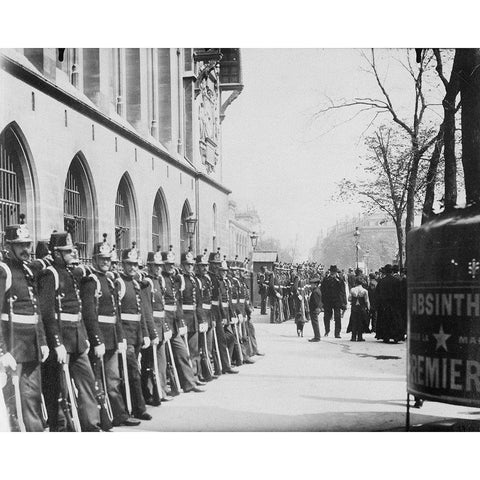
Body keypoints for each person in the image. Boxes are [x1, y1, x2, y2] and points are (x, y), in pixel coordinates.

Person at [37, 230, 101, 431]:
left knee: (87, 383)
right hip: (62, 339)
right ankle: (62, 429)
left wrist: (84, 335)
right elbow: (47, 312)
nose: (72, 253)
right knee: (59, 389)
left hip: (78, 337)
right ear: (56, 253)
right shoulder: (50, 275)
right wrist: (56, 343)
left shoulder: (71, 273)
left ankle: (92, 425)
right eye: (67, 251)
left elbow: (78, 307)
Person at [0, 215, 49, 431]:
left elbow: (35, 309)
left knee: (31, 398)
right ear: (7, 246)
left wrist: (43, 341)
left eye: (27, 244)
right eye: (19, 245)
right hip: (13, 347)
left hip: (31, 346)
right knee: (13, 405)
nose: (25, 249)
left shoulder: (28, 270)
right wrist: (2, 351)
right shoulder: (4, 271)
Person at [87, 234, 140, 427]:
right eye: (102, 259)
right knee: (98, 380)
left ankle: (119, 414)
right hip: (100, 338)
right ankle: (103, 418)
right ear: (94, 260)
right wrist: (97, 340)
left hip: (112, 336)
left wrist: (120, 337)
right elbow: (90, 315)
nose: (105, 263)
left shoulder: (109, 281)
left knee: (114, 379)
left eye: (108, 259)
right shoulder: (91, 281)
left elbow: (115, 313)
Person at [115, 242, 153, 420]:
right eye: (129, 264)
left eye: (135, 264)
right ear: (122, 264)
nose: (132, 267)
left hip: (136, 334)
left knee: (133, 371)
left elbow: (141, 312)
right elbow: (116, 313)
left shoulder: (136, 283)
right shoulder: (119, 283)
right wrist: (121, 337)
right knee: (131, 372)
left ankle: (134, 406)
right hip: (125, 335)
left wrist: (145, 333)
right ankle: (137, 408)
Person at [160, 246, 205, 392]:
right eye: (167, 264)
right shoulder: (161, 280)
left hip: (175, 322)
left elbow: (177, 303)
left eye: (172, 264)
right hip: (163, 323)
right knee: (165, 357)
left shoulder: (174, 279)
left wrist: (180, 322)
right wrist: (166, 326)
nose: (170, 267)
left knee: (183, 352)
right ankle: (168, 385)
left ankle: (189, 382)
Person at [375, 264, 404, 343]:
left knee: (385, 321)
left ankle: (386, 336)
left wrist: (378, 304)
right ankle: (396, 337)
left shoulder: (381, 281)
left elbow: (377, 294)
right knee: (395, 320)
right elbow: (400, 294)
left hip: (384, 305)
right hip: (394, 304)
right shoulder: (397, 281)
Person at [320, 265, 347, 338]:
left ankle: (337, 333)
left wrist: (344, 303)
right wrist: (322, 302)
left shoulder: (340, 280)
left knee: (337, 317)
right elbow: (322, 291)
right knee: (326, 317)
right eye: (332, 272)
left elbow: (343, 292)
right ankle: (327, 330)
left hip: (337, 301)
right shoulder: (325, 280)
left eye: (334, 272)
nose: (333, 273)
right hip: (328, 301)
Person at [347, 277, 370, 341]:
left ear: (355, 283)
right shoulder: (365, 291)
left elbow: (349, 299)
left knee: (354, 321)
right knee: (361, 322)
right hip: (361, 307)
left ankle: (353, 337)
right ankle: (360, 337)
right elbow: (366, 301)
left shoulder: (352, 290)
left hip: (354, 307)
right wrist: (368, 308)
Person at [308, 277, 322, 342]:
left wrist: (316, 308)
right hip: (314, 309)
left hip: (314, 309)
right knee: (315, 323)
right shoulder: (317, 290)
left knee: (315, 323)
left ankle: (317, 337)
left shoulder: (315, 292)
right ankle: (317, 336)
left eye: (312, 284)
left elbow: (316, 302)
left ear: (315, 284)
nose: (311, 285)